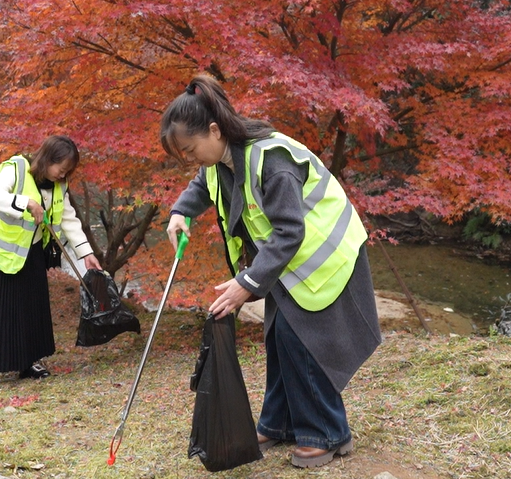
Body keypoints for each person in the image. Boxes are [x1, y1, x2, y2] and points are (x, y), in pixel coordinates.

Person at [161, 75, 381, 469]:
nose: (192, 159)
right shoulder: (220, 159)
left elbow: (290, 230)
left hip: (324, 256)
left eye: (192, 150)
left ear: (214, 130)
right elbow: (202, 182)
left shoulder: (271, 160)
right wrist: (180, 212)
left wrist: (246, 284)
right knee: (279, 338)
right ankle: (279, 423)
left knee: (303, 341)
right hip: (287, 263)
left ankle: (328, 433)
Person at [0, 135, 102, 390]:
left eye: (67, 172)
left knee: (30, 311)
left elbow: (68, 219)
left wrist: (86, 253)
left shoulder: (58, 185)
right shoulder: (16, 169)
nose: (63, 175)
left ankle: (28, 363)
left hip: (31, 253)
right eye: (60, 168)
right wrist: (25, 203)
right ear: (47, 159)